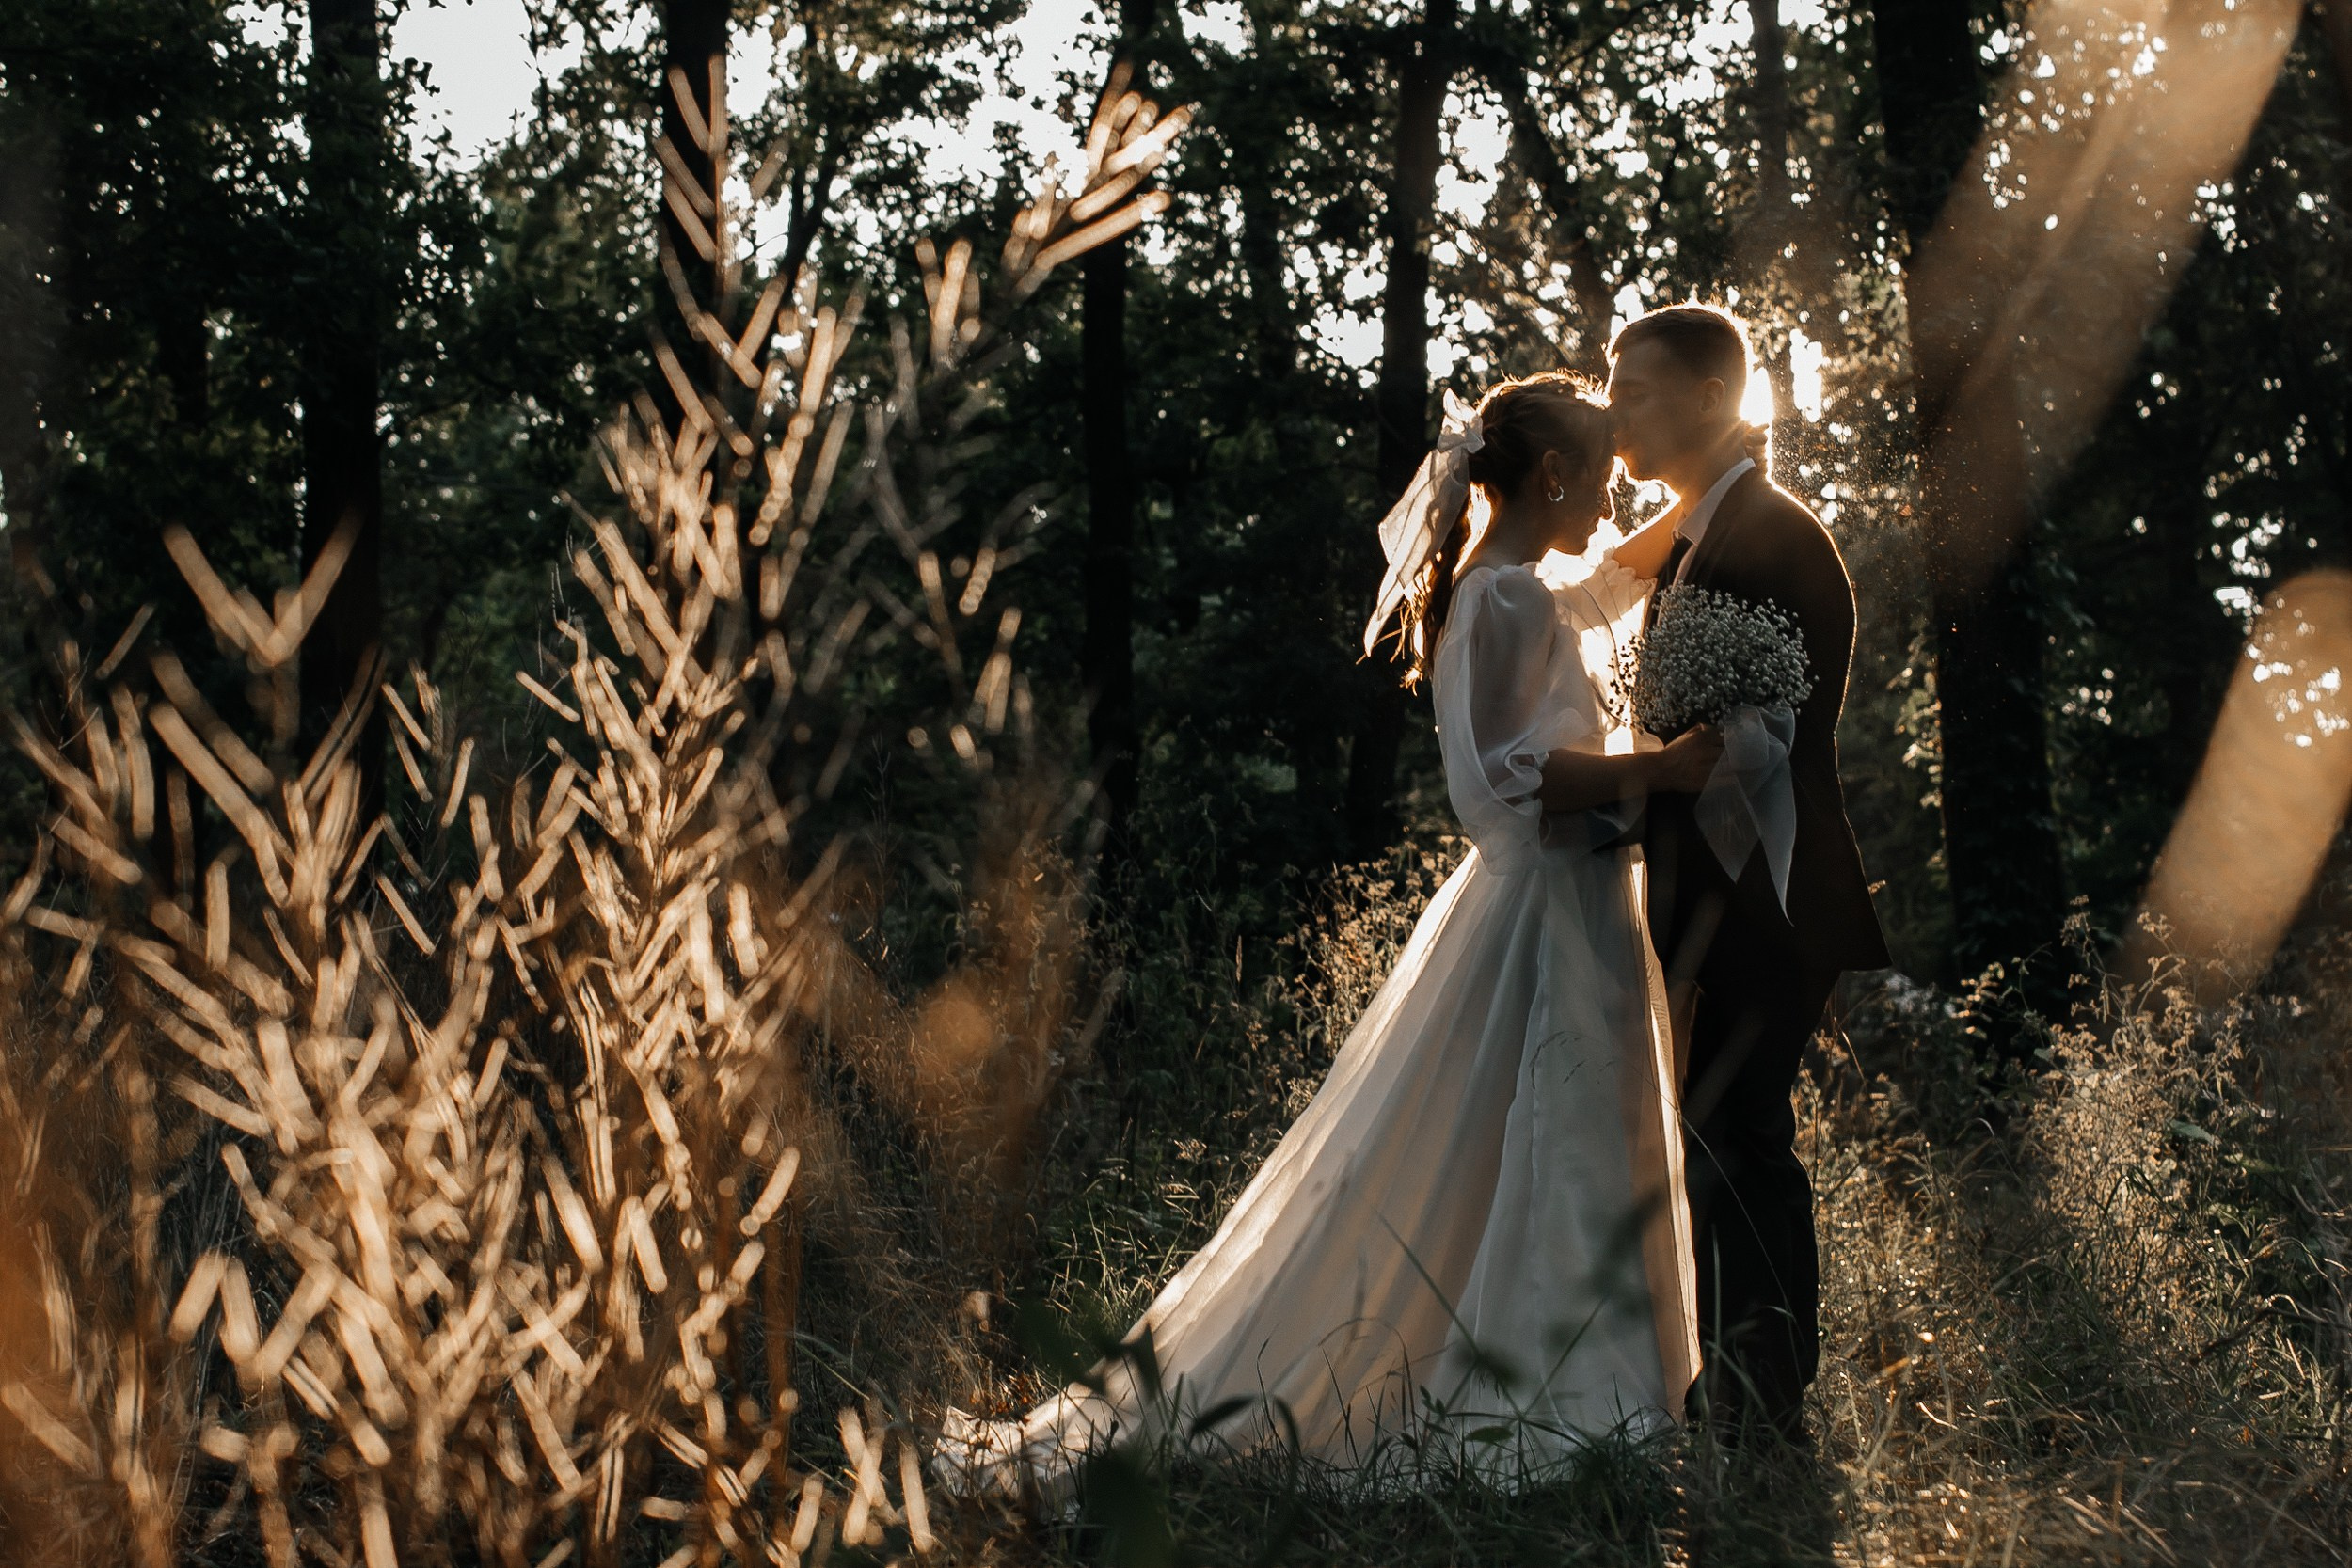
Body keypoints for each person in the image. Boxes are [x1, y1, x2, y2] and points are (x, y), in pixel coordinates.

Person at [936, 372, 1724, 1499]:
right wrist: (1665, 767)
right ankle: (1559, 1410)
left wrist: (1725, 480)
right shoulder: (1507, 600)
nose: (1612, 500)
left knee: (1521, 1149)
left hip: (1555, 901)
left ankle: (1582, 1392)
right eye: (1600, 477)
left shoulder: (1504, 587)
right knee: (1549, 1138)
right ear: (1554, 473)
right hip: (1544, 910)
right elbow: (1506, 780)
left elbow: (1622, 568)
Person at [1597, 304, 1890, 1443]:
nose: (1618, 408)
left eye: (1637, 390)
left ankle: (1762, 1408)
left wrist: (1597, 802)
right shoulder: (1699, 529)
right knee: (1724, 1137)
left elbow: (1749, 749)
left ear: (1714, 399)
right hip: (1720, 895)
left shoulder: (1768, 533)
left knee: (1743, 1138)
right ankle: (1738, 1392)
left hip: (1765, 891)